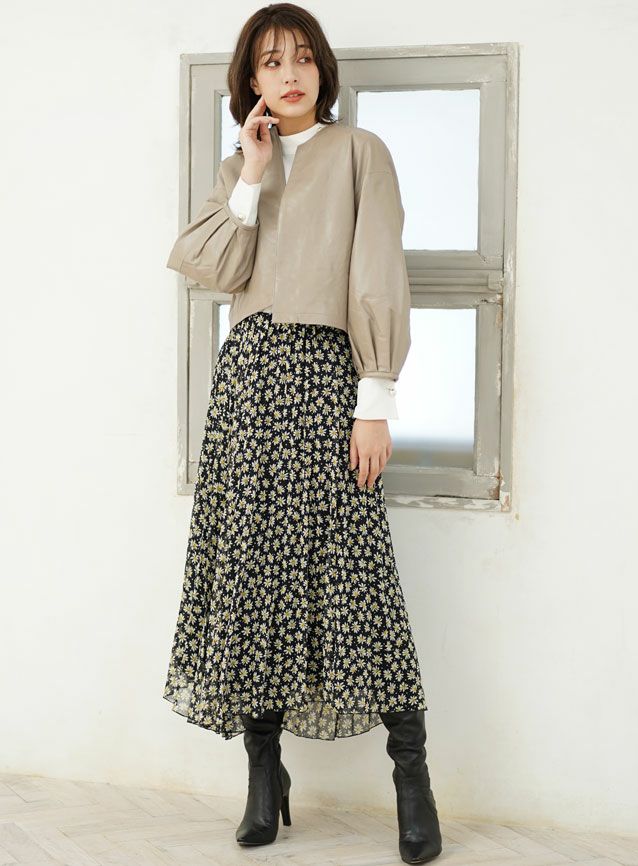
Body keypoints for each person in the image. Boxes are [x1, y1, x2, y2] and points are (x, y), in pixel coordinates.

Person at [161, 4, 442, 863]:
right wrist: (252, 172)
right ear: (250, 81)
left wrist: (375, 399)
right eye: (271, 62)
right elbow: (211, 268)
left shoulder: (360, 153)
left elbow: (378, 270)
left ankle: (412, 777)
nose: (289, 74)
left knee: (359, 573)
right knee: (252, 573)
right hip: (249, 385)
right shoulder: (237, 167)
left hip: (327, 381)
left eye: (303, 58)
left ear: (322, 70)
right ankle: (263, 771)